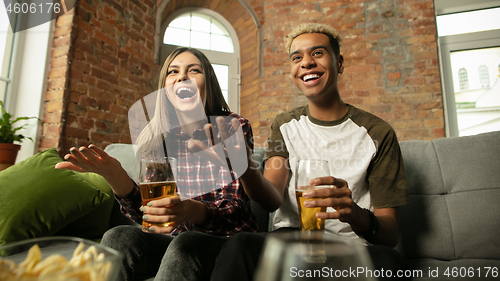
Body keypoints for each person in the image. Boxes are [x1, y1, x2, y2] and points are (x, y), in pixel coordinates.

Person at [207, 23, 411, 281]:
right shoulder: (284, 125)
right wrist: (244, 167)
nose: (306, 63)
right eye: (297, 57)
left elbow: (390, 235)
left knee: (391, 264)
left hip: (350, 249)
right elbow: (271, 199)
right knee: (239, 245)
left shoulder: (378, 133)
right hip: (289, 242)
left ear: (339, 62)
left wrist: (354, 213)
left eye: (317, 53)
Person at [55, 47, 258, 281]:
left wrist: (190, 209)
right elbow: (148, 217)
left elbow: (235, 211)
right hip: (173, 239)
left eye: (194, 70)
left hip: (226, 243)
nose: (182, 76)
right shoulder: (159, 135)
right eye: (173, 71)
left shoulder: (231, 126)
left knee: (185, 242)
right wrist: (114, 174)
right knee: (117, 236)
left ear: (209, 82)